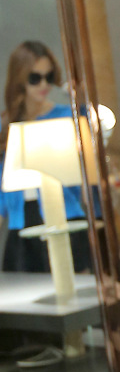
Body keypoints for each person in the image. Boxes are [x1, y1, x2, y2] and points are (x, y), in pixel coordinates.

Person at [0, 40, 91, 273]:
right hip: (21, 223)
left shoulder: (65, 116)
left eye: (49, 77)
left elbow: (90, 153)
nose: (43, 84)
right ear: (20, 78)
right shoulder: (6, 125)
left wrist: (81, 102)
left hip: (65, 215)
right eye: (35, 78)